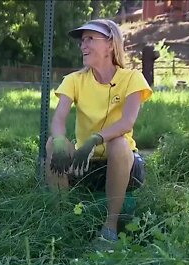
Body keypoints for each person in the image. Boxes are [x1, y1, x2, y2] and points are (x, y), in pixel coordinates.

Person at [46, 19, 152, 244]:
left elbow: (127, 122)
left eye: (90, 39)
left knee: (120, 143)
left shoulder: (132, 78)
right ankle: (62, 223)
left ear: (110, 44)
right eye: (82, 41)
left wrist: (94, 139)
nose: (83, 46)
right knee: (53, 144)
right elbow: (58, 119)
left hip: (124, 166)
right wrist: (58, 140)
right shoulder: (74, 80)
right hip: (86, 165)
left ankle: (109, 228)